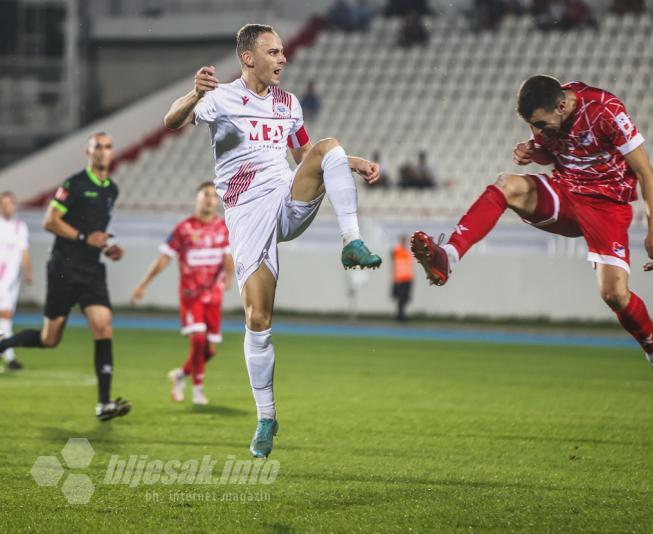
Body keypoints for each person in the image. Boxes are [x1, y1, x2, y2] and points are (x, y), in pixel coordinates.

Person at [163, 24, 382, 458]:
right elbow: (172, 121)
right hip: (246, 213)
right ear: (248, 57)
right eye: (273, 52)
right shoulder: (221, 97)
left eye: (283, 52)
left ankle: (351, 241)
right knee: (257, 318)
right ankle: (266, 417)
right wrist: (193, 93)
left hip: (286, 199)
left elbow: (305, 155)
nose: (282, 59)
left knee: (328, 145)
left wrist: (346, 160)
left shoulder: (288, 103)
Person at [411, 75, 653, 410]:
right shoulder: (546, 116)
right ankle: (449, 256)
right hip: (566, 193)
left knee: (614, 294)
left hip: (607, 205)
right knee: (507, 185)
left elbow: (646, 173)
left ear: (562, 105)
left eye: (542, 124)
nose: (539, 130)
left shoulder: (606, 110)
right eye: (533, 126)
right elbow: (552, 150)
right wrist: (534, 152)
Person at [0, 133, 131, 421]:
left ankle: (104, 403)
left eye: (108, 147)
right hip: (64, 267)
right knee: (49, 339)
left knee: (103, 326)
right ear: (88, 152)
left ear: (112, 153)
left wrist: (107, 248)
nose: (103, 151)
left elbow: (96, 233)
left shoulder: (112, 190)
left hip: (92, 269)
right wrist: (85, 237)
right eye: (98, 146)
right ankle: (3, 344)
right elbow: (50, 221)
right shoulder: (75, 185)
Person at [130, 182, 233, 406]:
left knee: (210, 350)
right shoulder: (183, 229)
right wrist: (143, 284)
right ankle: (198, 391)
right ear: (196, 198)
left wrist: (230, 277)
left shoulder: (223, 227)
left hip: (213, 296)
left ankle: (180, 375)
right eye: (205, 194)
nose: (209, 199)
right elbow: (164, 258)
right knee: (197, 339)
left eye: (213, 196)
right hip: (191, 294)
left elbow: (228, 255)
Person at [0, 191, 33, 370]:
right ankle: (9, 355)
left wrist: (28, 271)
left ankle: (8, 355)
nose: (8, 207)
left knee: (5, 317)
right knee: (4, 317)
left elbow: (24, 251)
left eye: (10, 203)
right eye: (4, 203)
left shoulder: (19, 227)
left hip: (9, 281)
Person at [391, 235, 414, 322]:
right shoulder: (397, 250)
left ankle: (401, 314)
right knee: (400, 298)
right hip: (400, 278)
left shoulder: (408, 251)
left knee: (406, 298)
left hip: (408, 278)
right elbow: (394, 262)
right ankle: (400, 316)